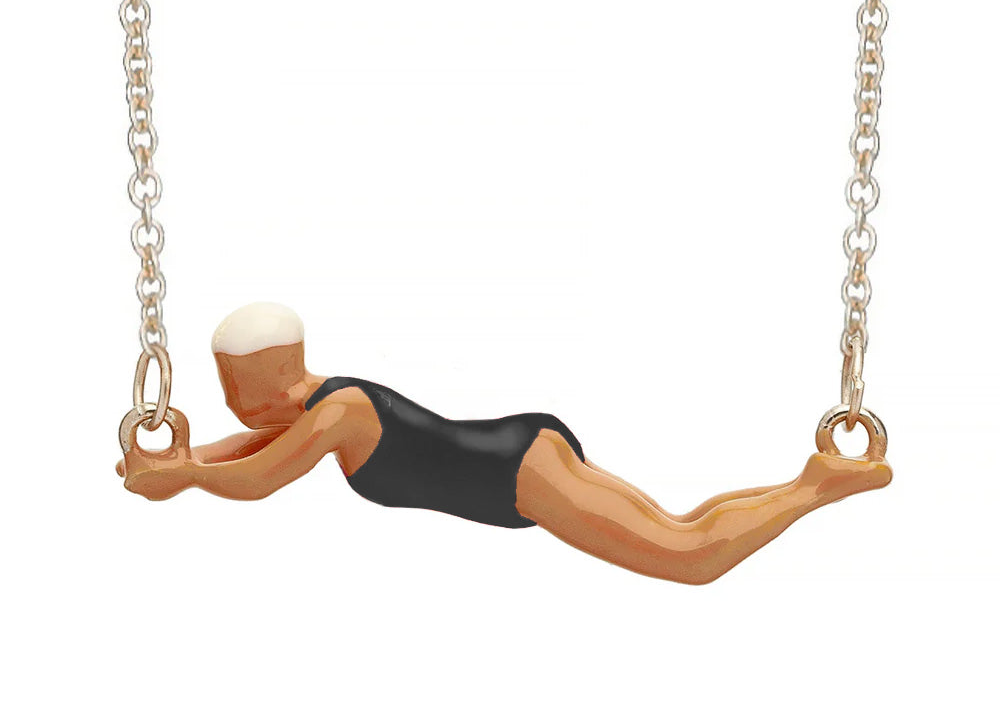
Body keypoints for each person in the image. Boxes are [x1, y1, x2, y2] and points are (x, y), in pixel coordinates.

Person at [119, 302, 891, 584]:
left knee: (688, 558)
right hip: (520, 456)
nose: (232, 403)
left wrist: (183, 475)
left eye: (234, 385)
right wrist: (187, 460)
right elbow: (247, 449)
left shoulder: (337, 414)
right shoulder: (315, 402)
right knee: (679, 527)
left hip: (520, 475)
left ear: (270, 377)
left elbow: (259, 476)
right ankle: (811, 483)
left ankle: (818, 486)